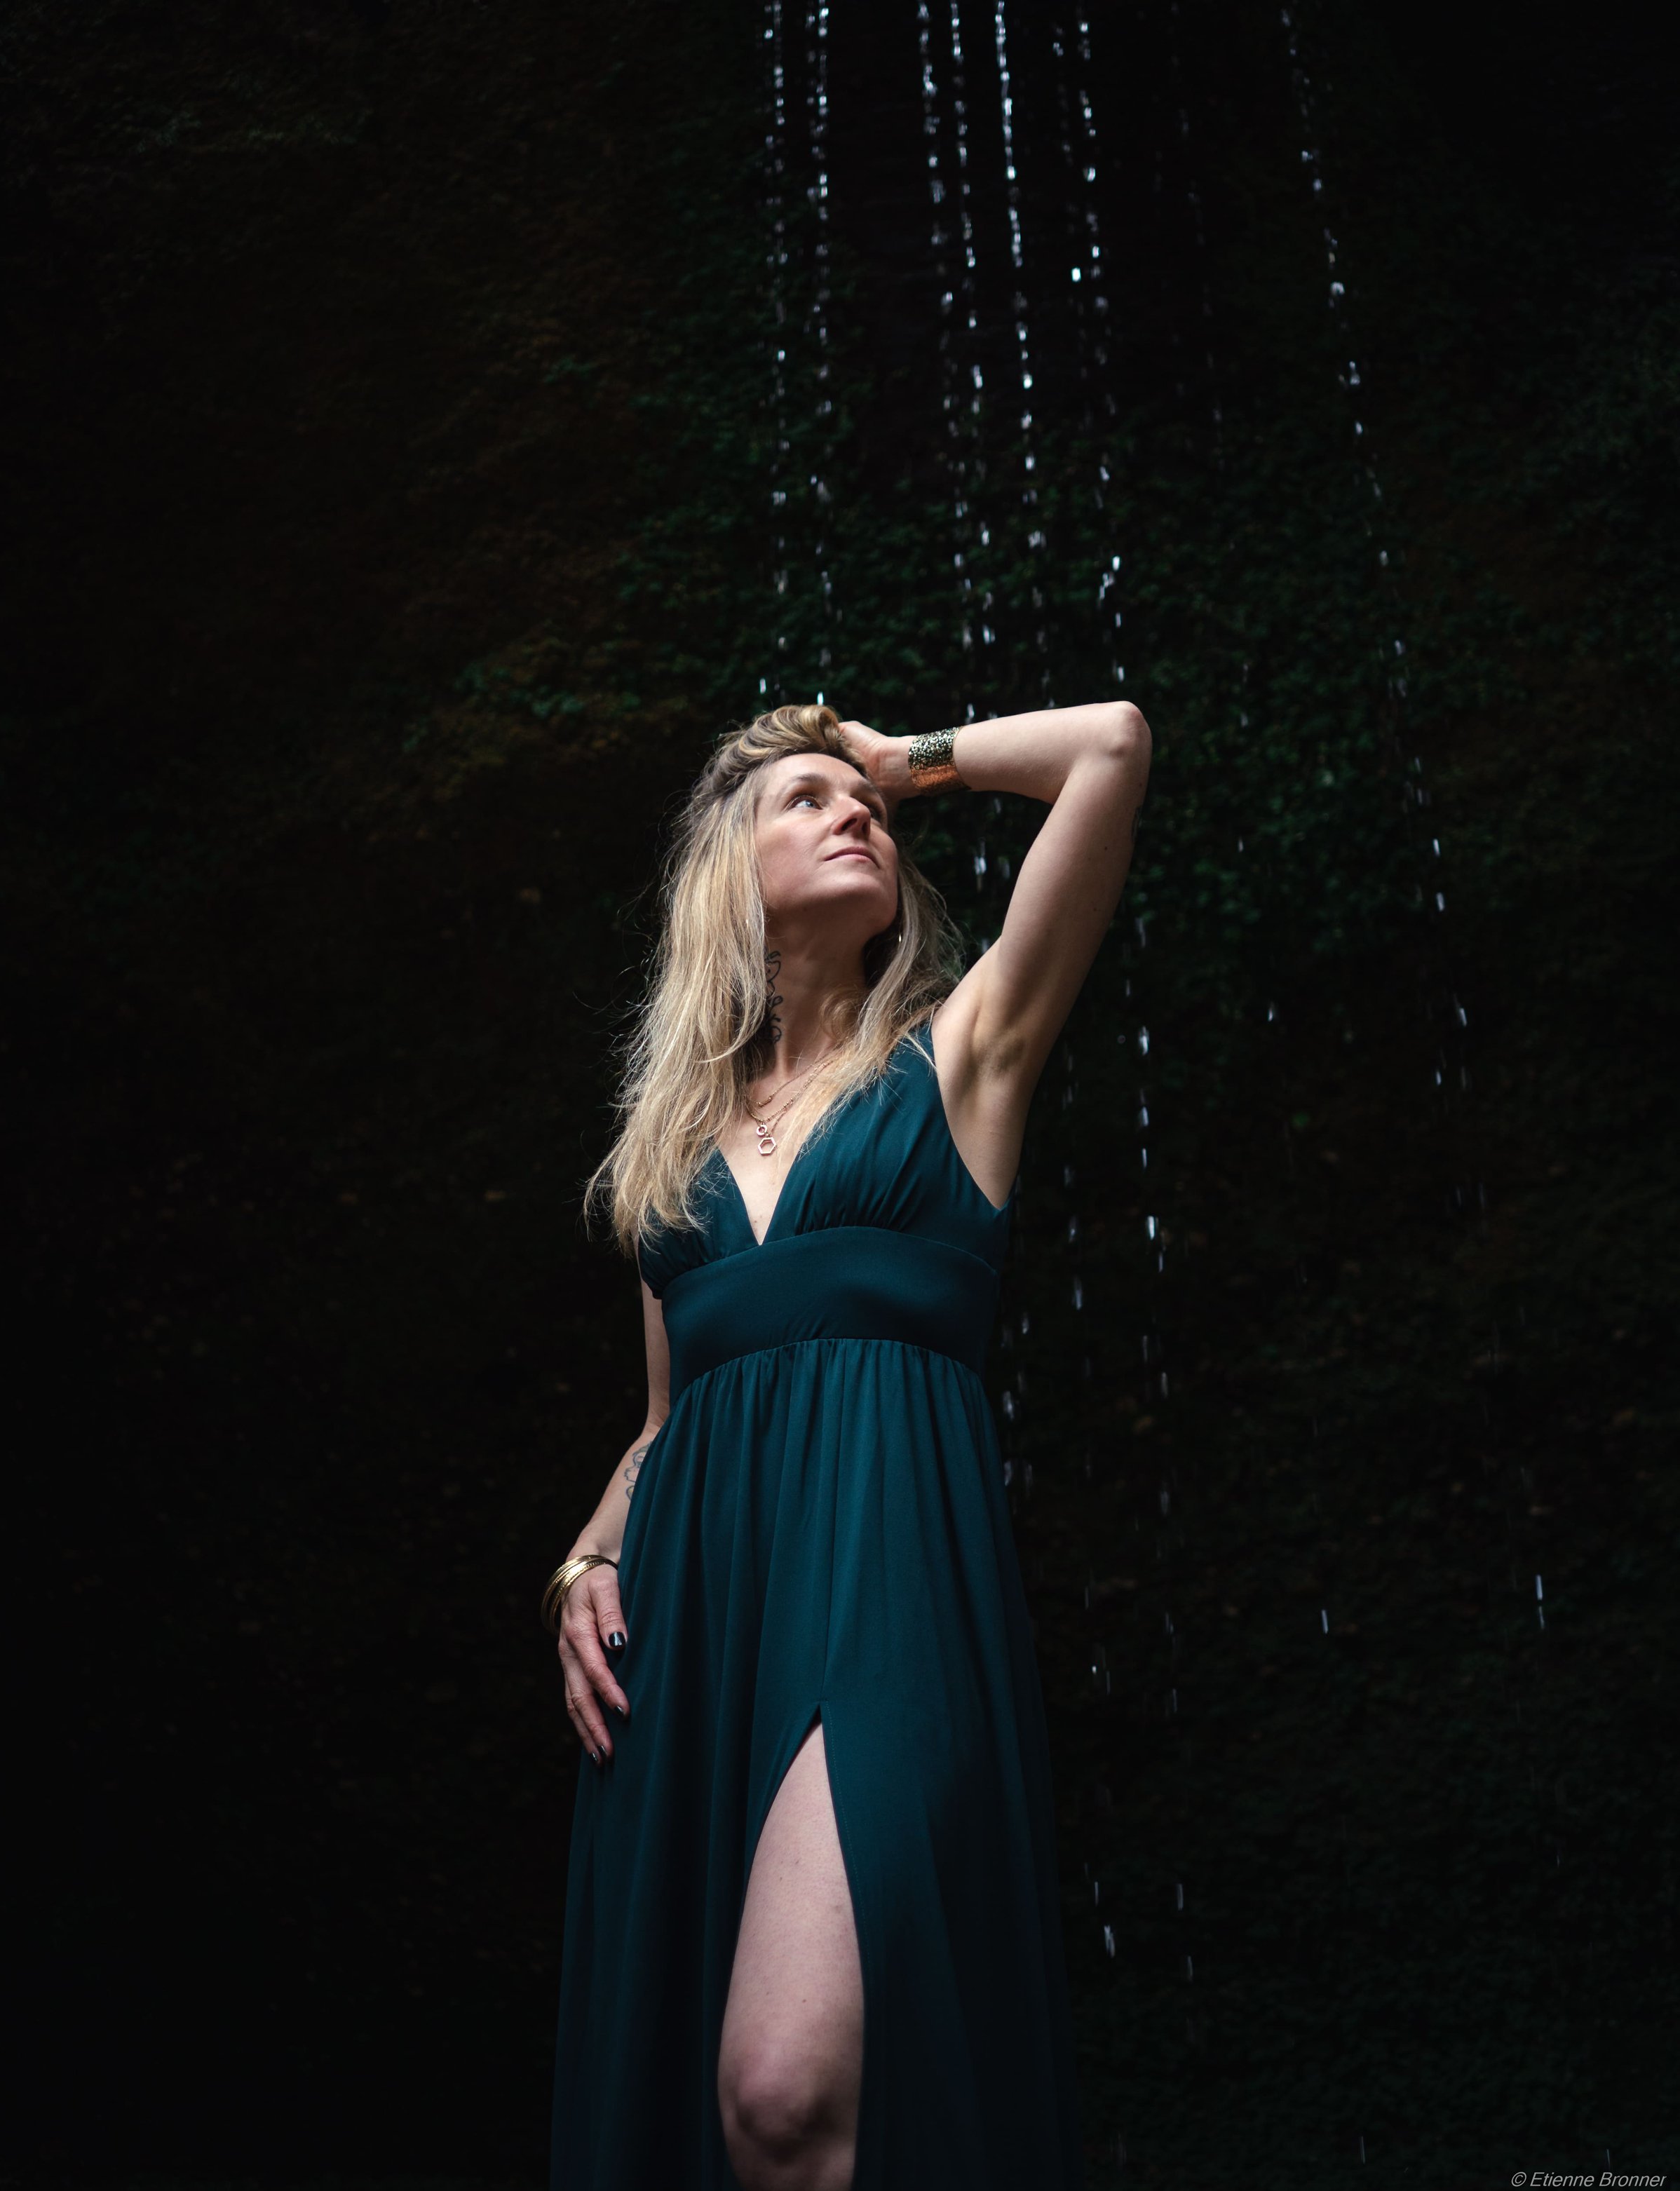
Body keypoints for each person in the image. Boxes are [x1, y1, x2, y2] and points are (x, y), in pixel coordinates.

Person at [546, 697, 1150, 2190]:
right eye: (801, 801)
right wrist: (582, 1557)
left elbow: (1112, 748)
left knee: (779, 2084)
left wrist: (895, 760)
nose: (853, 815)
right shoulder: (665, 1157)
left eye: (862, 804)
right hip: (699, 1628)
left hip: (883, 1586)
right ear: (721, 878)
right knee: (711, 2109)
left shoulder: (964, 1058)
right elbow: (660, 1428)